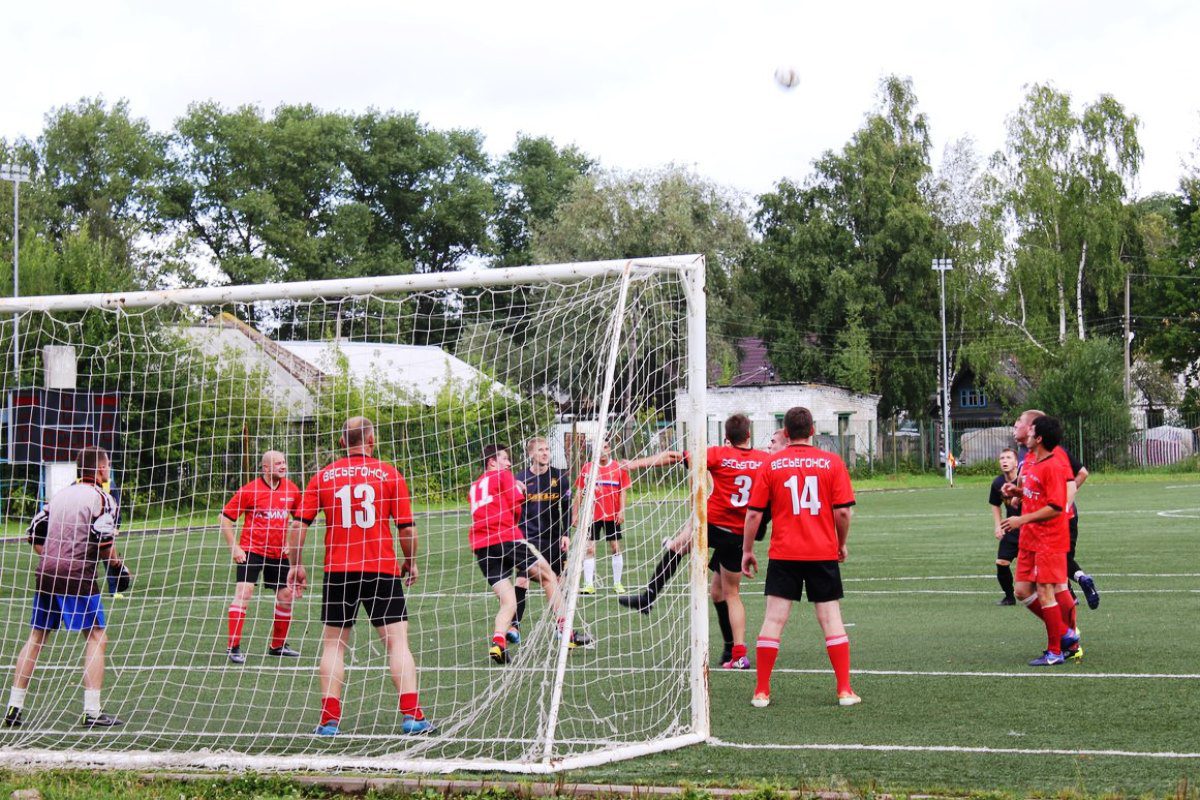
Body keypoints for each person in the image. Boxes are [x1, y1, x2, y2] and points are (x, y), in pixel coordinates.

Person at [287, 416, 433, 736]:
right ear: (372, 439)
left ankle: (329, 721)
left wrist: (295, 564)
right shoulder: (389, 474)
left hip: (338, 571)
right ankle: (412, 716)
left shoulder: (323, 476)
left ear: (342, 442)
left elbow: (298, 526)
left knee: (334, 646)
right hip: (381, 569)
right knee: (397, 643)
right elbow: (407, 528)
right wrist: (410, 562)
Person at [619, 417, 775, 671]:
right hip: (737, 534)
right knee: (729, 594)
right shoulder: (764, 460)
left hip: (712, 526)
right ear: (749, 434)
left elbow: (672, 456)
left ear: (727, 435)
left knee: (682, 551)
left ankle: (649, 595)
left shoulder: (718, 454)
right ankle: (737, 653)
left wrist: (634, 465)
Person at [742, 407, 860, 708]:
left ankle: (762, 691)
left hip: (785, 552)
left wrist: (747, 551)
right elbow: (843, 511)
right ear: (813, 430)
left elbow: (754, 514)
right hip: (822, 551)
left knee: (773, 620)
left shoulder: (772, 464)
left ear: (785, 432)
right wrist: (841, 543)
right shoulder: (832, 462)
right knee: (831, 619)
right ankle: (844, 690)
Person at [4, 446, 126, 728]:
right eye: (106, 466)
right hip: (77, 575)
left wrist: (51, 556)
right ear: (100, 469)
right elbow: (105, 544)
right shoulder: (103, 499)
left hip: (45, 572)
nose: (107, 470)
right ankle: (92, 712)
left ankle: (13, 708)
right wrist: (119, 567)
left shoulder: (59, 495)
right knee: (96, 636)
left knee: (36, 637)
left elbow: (33, 532)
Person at [469, 444, 573, 663]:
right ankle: (566, 631)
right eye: (505, 459)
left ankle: (498, 642)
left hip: (481, 547)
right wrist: (518, 489)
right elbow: (516, 506)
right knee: (549, 576)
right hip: (506, 538)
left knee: (508, 601)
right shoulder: (505, 476)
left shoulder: (475, 486)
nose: (509, 463)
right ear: (492, 462)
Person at [1000, 415, 1075, 666]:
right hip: (1030, 538)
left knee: (1046, 591)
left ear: (1039, 438)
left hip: (1049, 539)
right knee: (1021, 590)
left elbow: (1055, 507)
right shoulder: (1031, 461)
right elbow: (1035, 494)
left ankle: (1055, 651)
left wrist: (1021, 520)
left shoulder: (1053, 466)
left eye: (1030, 430)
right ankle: (1064, 634)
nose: (1026, 433)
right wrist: (1017, 492)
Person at [220, 450, 302, 664]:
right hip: (252, 550)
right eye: (278, 463)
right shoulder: (249, 490)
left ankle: (277, 646)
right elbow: (225, 518)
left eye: (284, 462)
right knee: (244, 593)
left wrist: (289, 544)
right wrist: (235, 548)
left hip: (277, 553)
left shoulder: (292, 490)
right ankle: (233, 646)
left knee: (286, 597)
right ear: (266, 468)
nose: (283, 466)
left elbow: (300, 520)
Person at [1012, 409, 1099, 610]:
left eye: (1018, 425)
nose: (1014, 429)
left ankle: (1067, 632)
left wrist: (1062, 508)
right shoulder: (1029, 455)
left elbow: (1078, 477)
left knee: (1054, 583)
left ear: (1032, 428)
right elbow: (1032, 489)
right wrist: (1019, 495)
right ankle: (1066, 629)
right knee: (1050, 584)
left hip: (1052, 524)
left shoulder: (1054, 455)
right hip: (1036, 527)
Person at [510, 437, 570, 642]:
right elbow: (514, 510)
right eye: (540, 450)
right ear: (531, 454)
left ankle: (560, 626)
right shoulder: (520, 479)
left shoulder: (559, 476)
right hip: (528, 538)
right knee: (522, 579)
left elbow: (567, 508)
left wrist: (566, 534)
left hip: (553, 539)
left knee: (558, 581)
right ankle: (514, 626)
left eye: (547, 449)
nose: (545, 453)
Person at [572, 441, 631, 594]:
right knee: (589, 548)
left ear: (610, 448)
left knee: (615, 547)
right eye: (599, 447)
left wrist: (622, 511)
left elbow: (623, 491)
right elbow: (579, 492)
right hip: (592, 515)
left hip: (612, 515)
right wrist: (575, 513)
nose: (603, 450)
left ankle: (617, 583)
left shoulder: (618, 468)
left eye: (605, 447)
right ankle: (589, 585)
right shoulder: (588, 468)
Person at [988, 448, 1022, 606]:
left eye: (1008, 458)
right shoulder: (998, 483)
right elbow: (995, 504)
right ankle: (1009, 597)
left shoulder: (1025, 479)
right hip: (1011, 529)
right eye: (1002, 458)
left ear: (1016, 462)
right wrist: (998, 526)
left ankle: (1067, 591)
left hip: (1030, 528)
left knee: (1043, 565)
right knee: (1001, 563)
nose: (1004, 461)